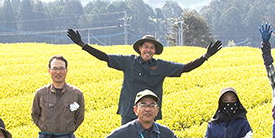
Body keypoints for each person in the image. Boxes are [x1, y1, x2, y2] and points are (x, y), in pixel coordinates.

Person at [67, 29, 222, 124]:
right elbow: (105, 57)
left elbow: (186, 68)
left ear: (155, 50)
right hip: (129, 112)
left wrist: (206, 56)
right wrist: (82, 44)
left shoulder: (161, 66)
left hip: (149, 112)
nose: (148, 50)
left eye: (151, 47)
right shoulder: (128, 61)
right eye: (146, 47)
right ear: (140, 48)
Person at [31, 55, 85, 138]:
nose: (58, 72)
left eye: (61, 68)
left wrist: (70, 128)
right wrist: (43, 127)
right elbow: (34, 114)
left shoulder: (76, 94)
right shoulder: (41, 93)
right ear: (49, 71)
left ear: (66, 71)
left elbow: (80, 117)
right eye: (55, 68)